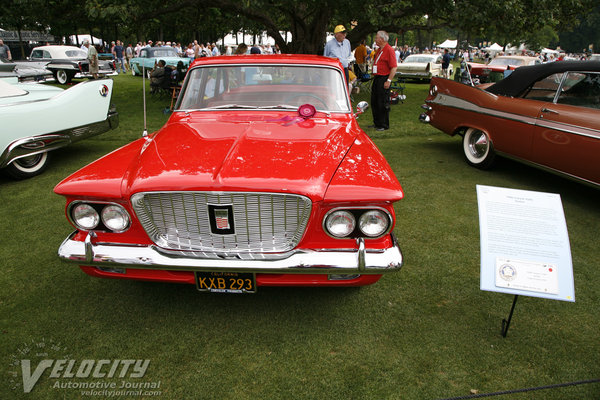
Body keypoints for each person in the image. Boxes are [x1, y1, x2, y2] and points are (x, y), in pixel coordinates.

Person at [370, 31, 397, 131]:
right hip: (377, 77)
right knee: (374, 101)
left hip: (384, 78)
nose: (375, 40)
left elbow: (394, 67)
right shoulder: (379, 50)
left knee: (382, 102)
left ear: (382, 39)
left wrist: (389, 80)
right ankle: (377, 122)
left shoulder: (389, 50)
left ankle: (384, 124)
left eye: (377, 38)